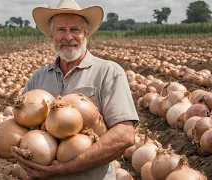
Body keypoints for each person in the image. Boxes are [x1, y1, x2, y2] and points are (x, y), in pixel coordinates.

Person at [10, 0, 139, 179]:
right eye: (61, 30)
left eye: (75, 30)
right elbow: (19, 127)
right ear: (52, 34)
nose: (68, 36)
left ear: (86, 33)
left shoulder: (109, 72)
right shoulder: (38, 77)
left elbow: (125, 136)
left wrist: (66, 168)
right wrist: (16, 149)